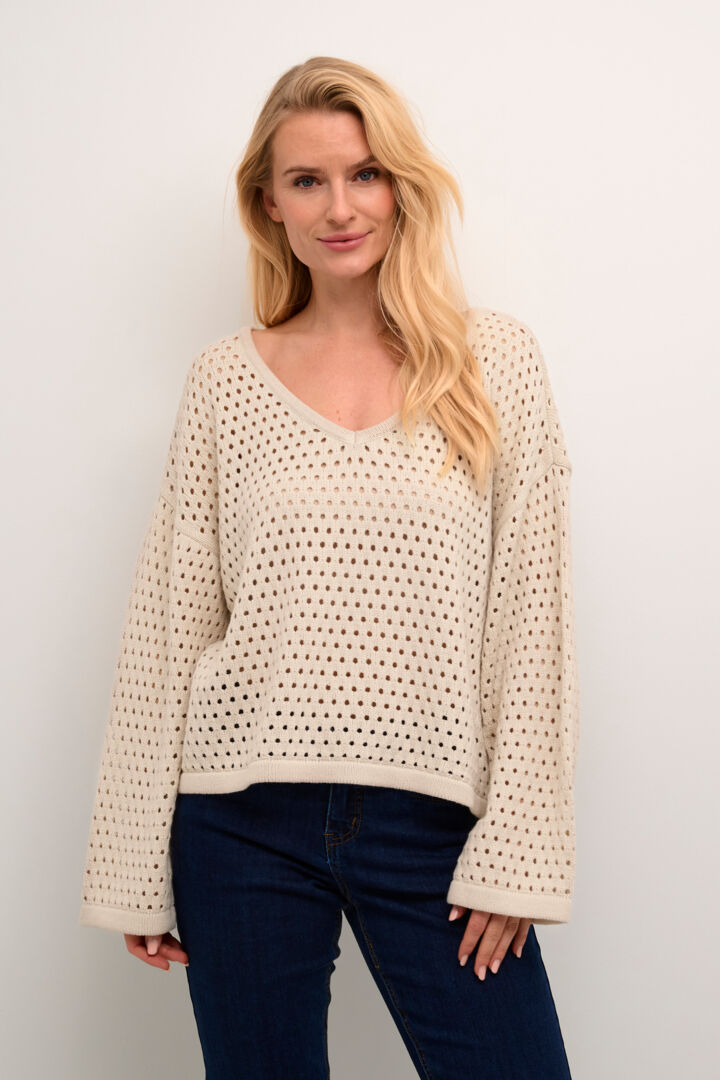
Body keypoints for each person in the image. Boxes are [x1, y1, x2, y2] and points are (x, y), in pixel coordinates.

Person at [79, 55, 580, 1079]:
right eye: (307, 180)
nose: (340, 208)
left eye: (364, 174)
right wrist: (131, 861)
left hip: (434, 822)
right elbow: (171, 627)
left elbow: (533, 618)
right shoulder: (225, 380)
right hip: (241, 822)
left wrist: (520, 846)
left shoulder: (494, 363)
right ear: (269, 203)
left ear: (401, 185)